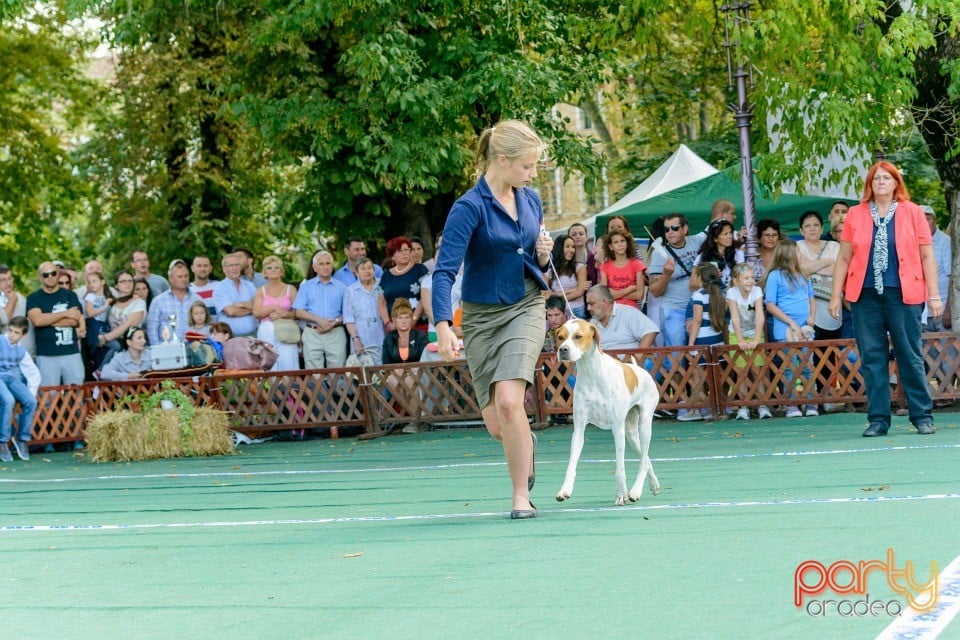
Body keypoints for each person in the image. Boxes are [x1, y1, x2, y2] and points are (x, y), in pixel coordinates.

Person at [432, 119, 552, 520]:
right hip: (482, 317)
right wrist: (443, 325)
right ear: (501, 160)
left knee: (507, 402)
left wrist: (543, 253)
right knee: (499, 425)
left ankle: (521, 496)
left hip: (526, 305)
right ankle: (524, 443)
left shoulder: (530, 199)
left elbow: (534, 258)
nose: (532, 175)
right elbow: (444, 272)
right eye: (527, 166)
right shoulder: (468, 208)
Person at [829, 161, 941, 437]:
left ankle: (922, 416)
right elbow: (843, 258)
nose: (881, 182)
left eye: (886, 178)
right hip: (864, 296)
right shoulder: (855, 215)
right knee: (872, 358)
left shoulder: (913, 212)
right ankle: (878, 419)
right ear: (870, 184)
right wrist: (835, 297)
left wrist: (935, 295)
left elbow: (927, 257)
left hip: (904, 294)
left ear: (895, 183)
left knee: (909, 355)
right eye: (876, 178)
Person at [647, 213, 704, 420]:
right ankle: (684, 404)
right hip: (674, 310)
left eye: (674, 228)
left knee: (701, 356)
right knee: (677, 358)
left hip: (700, 307)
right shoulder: (658, 254)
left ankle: (703, 402)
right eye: (667, 229)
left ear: (685, 229)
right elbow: (654, 290)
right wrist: (666, 275)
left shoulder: (697, 241)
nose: (670, 232)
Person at [765, 239, 816, 418]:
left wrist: (812, 317)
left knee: (808, 365)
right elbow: (770, 304)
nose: (801, 254)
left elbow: (811, 298)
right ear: (789, 255)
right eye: (798, 251)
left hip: (805, 328)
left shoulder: (803, 274)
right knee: (789, 366)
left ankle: (811, 403)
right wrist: (790, 322)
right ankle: (791, 403)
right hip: (784, 329)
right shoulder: (775, 276)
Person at [26, 261, 86, 387]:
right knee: (48, 398)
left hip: (71, 353)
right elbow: (37, 321)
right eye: (46, 274)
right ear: (40, 277)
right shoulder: (33, 298)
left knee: (77, 395)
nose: (50, 277)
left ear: (58, 274)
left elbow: (74, 321)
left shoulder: (70, 295)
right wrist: (64, 314)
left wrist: (45, 319)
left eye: (53, 273)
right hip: (46, 355)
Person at [726, 263, 771, 420]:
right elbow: (735, 317)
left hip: (754, 332)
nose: (750, 281)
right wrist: (739, 340)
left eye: (752, 277)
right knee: (741, 371)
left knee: (758, 369)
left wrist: (757, 338)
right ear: (736, 281)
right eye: (746, 278)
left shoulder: (757, 291)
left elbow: (759, 315)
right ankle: (743, 405)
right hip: (737, 333)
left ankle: (762, 405)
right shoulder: (732, 293)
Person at [292, 250, 347, 369]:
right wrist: (319, 320)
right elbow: (298, 311)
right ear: (314, 267)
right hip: (312, 333)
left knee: (337, 373)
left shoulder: (342, 287)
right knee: (314, 374)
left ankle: (335, 388)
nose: (325, 267)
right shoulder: (306, 286)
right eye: (321, 264)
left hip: (336, 333)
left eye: (328, 263)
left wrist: (333, 323)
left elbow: (348, 313)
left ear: (332, 266)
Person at [382, 298, 428, 433]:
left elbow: (424, 359)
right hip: (396, 374)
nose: (403, 320)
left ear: (411, 320)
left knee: (409, 379)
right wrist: (396, 370)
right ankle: (414, 419)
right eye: (400, 318)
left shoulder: (420, 335)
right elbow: (385, 363)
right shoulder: (389, 338)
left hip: (418, 373)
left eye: (407, 317)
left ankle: (415, 421)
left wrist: (409, 369)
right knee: (392, 380)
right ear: (394, 321)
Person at [0, 317, 41, 462]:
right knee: (8, 400)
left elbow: (33, 372)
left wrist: (29, 393)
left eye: (16, 333)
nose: (12, 335)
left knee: (31, 401)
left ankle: (22, 438)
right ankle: (2, 441)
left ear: (23, 335)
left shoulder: (22, 351)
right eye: (10, 330)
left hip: (10, 378)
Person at [797, 211, 842, 340]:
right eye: (807, 226)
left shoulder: (834, 246)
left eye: (816, 225)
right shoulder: (797, 247)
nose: (812, 229)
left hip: (831, 305)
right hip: (806, 308)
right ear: (801, 230)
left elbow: (839, 269)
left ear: (822, 229)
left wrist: (811, 267)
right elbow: (800, 268)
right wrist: (827, 261)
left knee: (830, 349)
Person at [252, 255, 300, 372]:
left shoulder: (291, 289)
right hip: (266, 329)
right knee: (269, 362)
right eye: (269, 268)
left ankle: (290, 388)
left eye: (276, 267)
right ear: (264, 273)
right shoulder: (261, 291)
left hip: (286, 329)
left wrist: (283, 315)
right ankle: (272, 389)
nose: (273, 270)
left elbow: (298, 313)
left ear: (281, 271)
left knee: (288, 361)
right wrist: (273, 307)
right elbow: (256, 313)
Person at [343, 258, 390, 365]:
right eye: (363, 269)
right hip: (361, 334)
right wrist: (356, 339)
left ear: (374, 271)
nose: (367, 271)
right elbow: (348, 319)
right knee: (364, 368)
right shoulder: (350, 291)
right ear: (357, 273)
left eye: (369, 268)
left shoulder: (382, 285)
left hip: (381, 330)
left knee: (384, 366)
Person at [585, 285, 659, 351]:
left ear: (604, 301)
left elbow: (650, 331)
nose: (588, 308)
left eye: (591, 304)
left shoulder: (627, 312)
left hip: (630, 364)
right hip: (605, 364)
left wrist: (639, 357)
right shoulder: (593, 322)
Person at [380, 236, 429, 332]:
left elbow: (425, 297)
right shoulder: (386, 275)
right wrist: (387, 323)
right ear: (392, 256)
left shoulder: (420, 270)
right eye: (399, 251)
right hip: (394, 328)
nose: (404, 253)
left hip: (419, 327)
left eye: (406, 250)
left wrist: (412, 320)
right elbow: (381, 301)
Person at [147, 260, 202, 344]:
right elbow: (152, 330)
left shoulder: (197, 299)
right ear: (170, 279)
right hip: (166, 350)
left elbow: (204, 325)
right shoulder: (158, 301)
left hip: (193, 349)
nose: (184, 279)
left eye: (186, 276)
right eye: (180, 277)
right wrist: (158, 350)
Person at [100, 270, 147, 366]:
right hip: (112, 348)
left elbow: (129, 324)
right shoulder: (112, 304)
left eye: (130, 281)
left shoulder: (139, 302)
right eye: (123, 281)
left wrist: (105, 338)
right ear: (116, 285)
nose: (127, 284)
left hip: (130, 347)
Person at [213, 252, 258, 338]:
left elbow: (259, 306)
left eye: (237, 265)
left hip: (253, 336)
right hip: (230, 338)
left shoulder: (249, 285)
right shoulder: (219, 288)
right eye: (231, 266)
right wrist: (251, 308)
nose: (235, 268)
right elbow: (230, 311)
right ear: (224, 269)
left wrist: (240, 304)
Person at [922, 205, 951, 332]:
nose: (925, 223)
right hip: (922, 313)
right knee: (926, 352)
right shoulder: (913, 244)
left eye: (928, 219)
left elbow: (953, 279)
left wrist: (948, 311)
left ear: (935, 220)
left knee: (948, 351)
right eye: (921, 220)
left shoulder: (946, 242)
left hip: (942, 312)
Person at [599, 229, 645, 309]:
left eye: (622, 241)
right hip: (612, 310)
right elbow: (604, 295)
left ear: (627, 243)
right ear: (610, 247)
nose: (620, 244)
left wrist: (614, 294)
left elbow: (639, 295)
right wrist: (629, 289)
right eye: (616, 242)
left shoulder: (637, 264)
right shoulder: (605, 266)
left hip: (632, 310)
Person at [545, 234, 588, 318]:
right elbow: (546, 295)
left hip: (577, 310)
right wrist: (571, 290)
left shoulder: (580, 267)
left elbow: (579, 292)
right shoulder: (549, 271)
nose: (571, 250)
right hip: (557, 313)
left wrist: (556, 295)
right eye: (567, 246)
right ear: (559, 249)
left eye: (573, 247)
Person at [695, 219, 743, 288]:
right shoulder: (703, 256)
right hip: (712, 296)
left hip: (733, 296)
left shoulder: (738, 254)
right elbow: (692, 285)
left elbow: (742, 278)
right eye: (725, 234)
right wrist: (710, 278)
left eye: (731, 232)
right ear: (715, 239)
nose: (730, 236)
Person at [0, 264, 35, 356]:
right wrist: (12, 302)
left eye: (9, 278)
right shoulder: (14, 299)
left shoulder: (20, 297)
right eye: (3, 280)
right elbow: (3, 322)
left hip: (27, 355)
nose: (8, 283)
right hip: (6, 358)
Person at [82, 271, 114, 369]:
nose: (91, 284)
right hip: (94, 325)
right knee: (96, 346)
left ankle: (101, 368)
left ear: (102, 282)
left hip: (103, 325)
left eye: (94, 281)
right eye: (89, 282)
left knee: (109, 347)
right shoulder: (90, 296)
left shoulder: (106, 296)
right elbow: (90, 313)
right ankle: (94, 366)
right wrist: (104, 306)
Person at [567, 222, 598, 289]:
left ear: (587, 237)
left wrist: (590, 284)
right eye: (574, 234)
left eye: (581, 234)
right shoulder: (564, 259)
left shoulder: (594, 258)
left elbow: (597, 279)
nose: (578, 236)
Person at [189, 254, 219, 321]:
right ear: (192, 268)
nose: (203, 269)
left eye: (205, 266)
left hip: (217, 329)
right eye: (199, 266)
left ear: (210, 268)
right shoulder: (186, 290)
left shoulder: (219, 286)